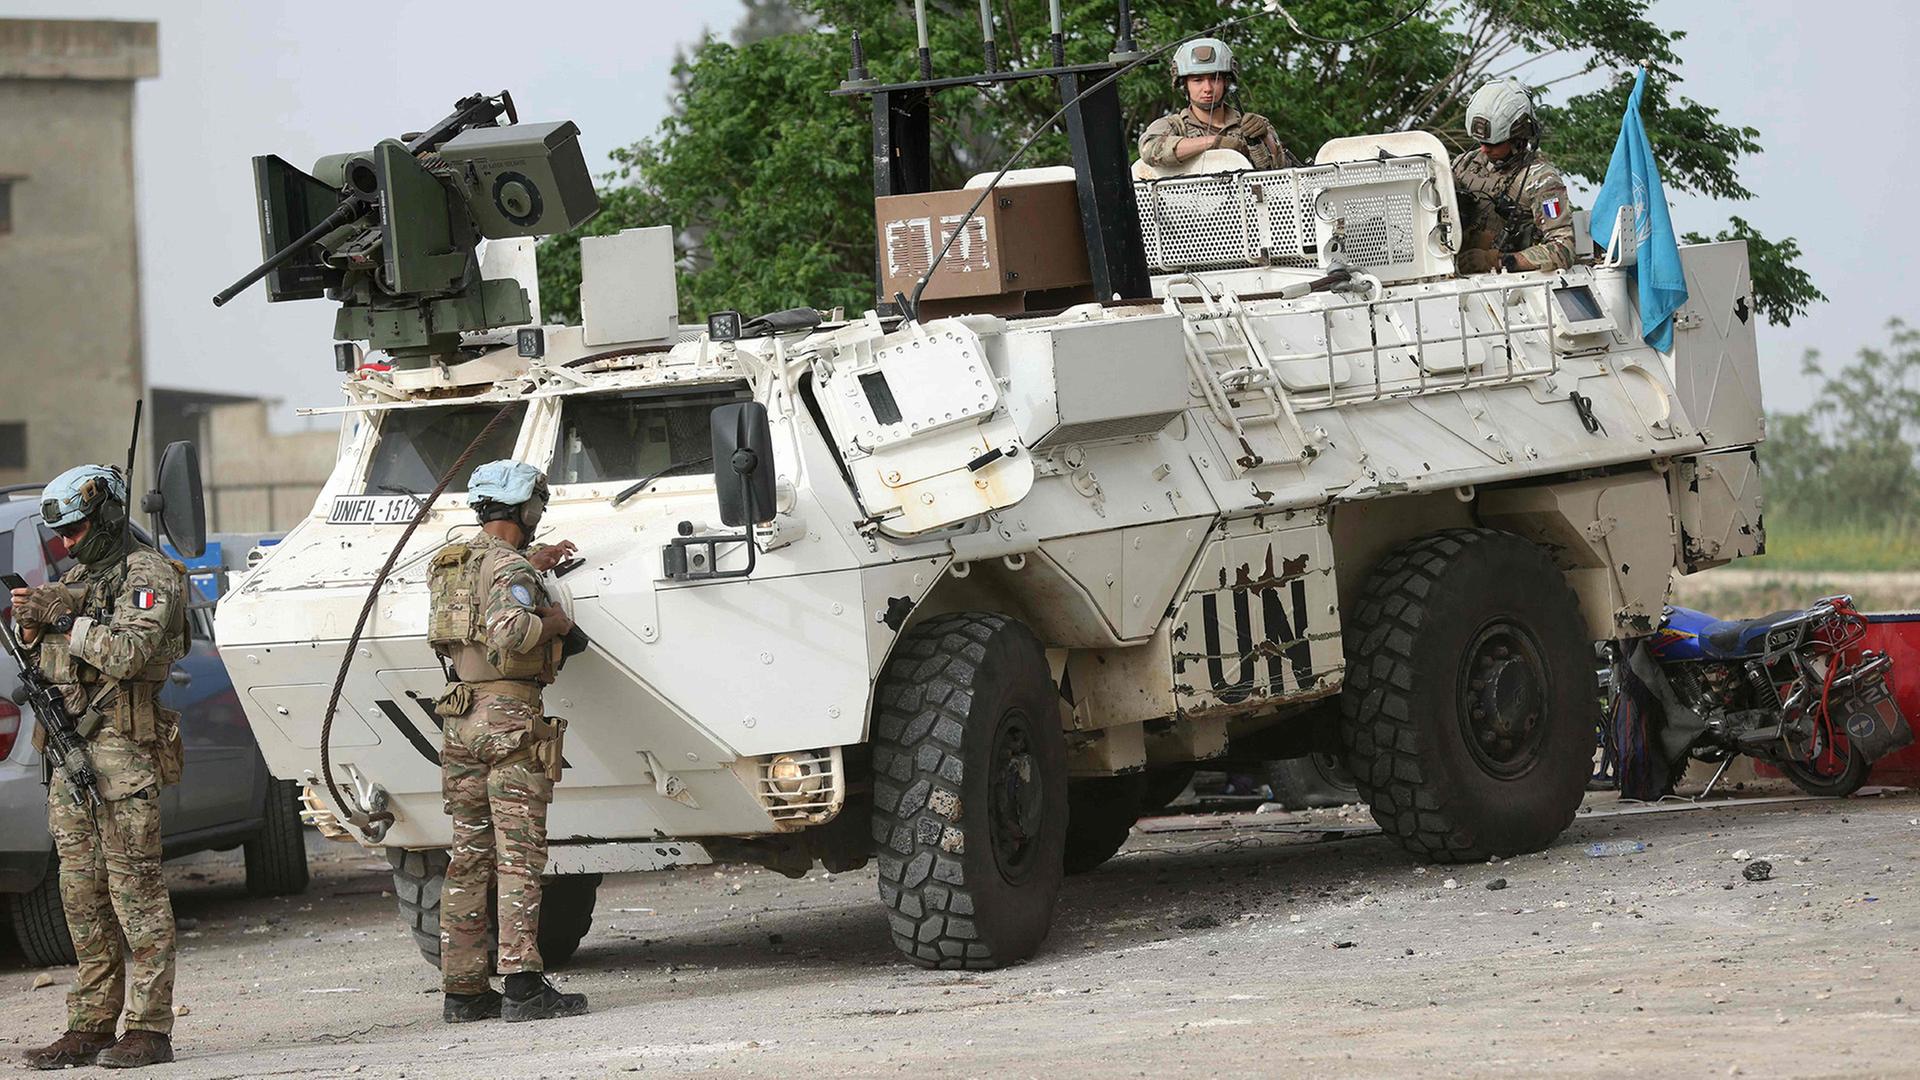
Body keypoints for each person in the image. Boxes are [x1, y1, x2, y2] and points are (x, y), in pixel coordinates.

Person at [13, 465, 188, 1070]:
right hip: (70, 755)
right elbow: (48, 657)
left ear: (108, 516)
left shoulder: (149, 575)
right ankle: (89, 1024)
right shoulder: (79, 579)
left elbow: (130, 651)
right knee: (80, 893)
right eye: (59, 534)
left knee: (134, 890)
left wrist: (63, 620)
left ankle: (148, 1028)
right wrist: (33, 624)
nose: (67, 544)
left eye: (77, 529)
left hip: (125, 755)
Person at [426, 459, 586, 1024]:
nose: (539, 516)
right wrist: (557, 625)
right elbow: (512, 630)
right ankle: (522, 984)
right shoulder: (508, 568)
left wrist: (530, 570)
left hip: (460, 717)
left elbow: (473, 614)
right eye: (536, 506)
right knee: (519, 852)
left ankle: (464, 991)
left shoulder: (454, 562)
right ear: (522, 508)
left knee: (468, 856)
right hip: (508, 717)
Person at [1452, 78, 1575, 274]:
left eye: (1493, 144)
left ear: (1518, 137)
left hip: (1509, 288)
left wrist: (1498, 261)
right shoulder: (1464, 164)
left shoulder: (1540, 180)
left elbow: (1562, 248)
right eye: (1480, 142)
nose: (1484, 150)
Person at [1139, 37, 1300, 172]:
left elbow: (1280, 171)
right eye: (1197, 81)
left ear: (1226, 83)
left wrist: (1265, 137)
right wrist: (1213, 142)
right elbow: (1150, 150)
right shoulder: (1175, 126)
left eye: (1215, 79)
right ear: (1184, 85)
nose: (1207, 88)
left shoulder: (1251, 124)